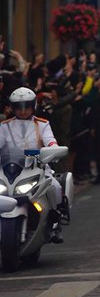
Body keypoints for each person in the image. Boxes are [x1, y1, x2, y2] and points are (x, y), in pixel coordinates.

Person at [0, 87, 65, 243]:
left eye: (26, 107)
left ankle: (56, 223)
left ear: (33, 106)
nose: (23, 111)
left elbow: (50, 141)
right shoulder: (4, 126)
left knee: (55, 186)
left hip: (38, 167)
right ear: (12, 108)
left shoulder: (42, 124)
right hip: (11, 169)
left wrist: (52, 149)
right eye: (18, 107)